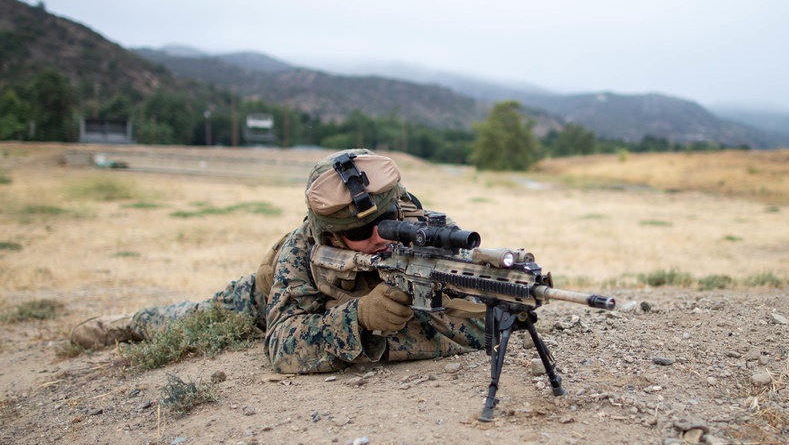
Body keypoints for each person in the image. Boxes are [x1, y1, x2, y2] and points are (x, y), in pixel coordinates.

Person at [70, 149, 487, 373]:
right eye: (361, 233)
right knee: (200, 317)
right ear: (331, 234)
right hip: (269, 295)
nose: (380, 238)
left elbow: (480, 320)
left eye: (388, 223)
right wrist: (360, 318)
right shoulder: (301, 251)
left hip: (337, 308)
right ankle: (128, 324)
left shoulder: (430, 232)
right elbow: (282, 348)